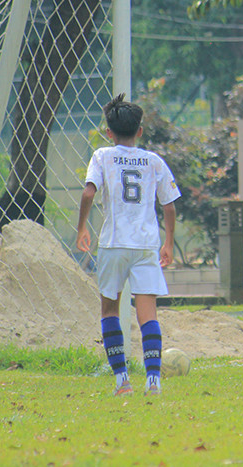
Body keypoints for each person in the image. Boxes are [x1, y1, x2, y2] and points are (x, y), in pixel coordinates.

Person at [77, 94, 181, 396]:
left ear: (109, 133)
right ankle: (153, 381)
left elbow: (87, 194)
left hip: (113, 243)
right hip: (146, 244)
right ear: (140, 131)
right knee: (148, 313)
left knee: (110, 309)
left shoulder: (102, 156)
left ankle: (122, 380)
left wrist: (82, 226)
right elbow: (170, 205)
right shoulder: (153, 161)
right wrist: (169, 243)